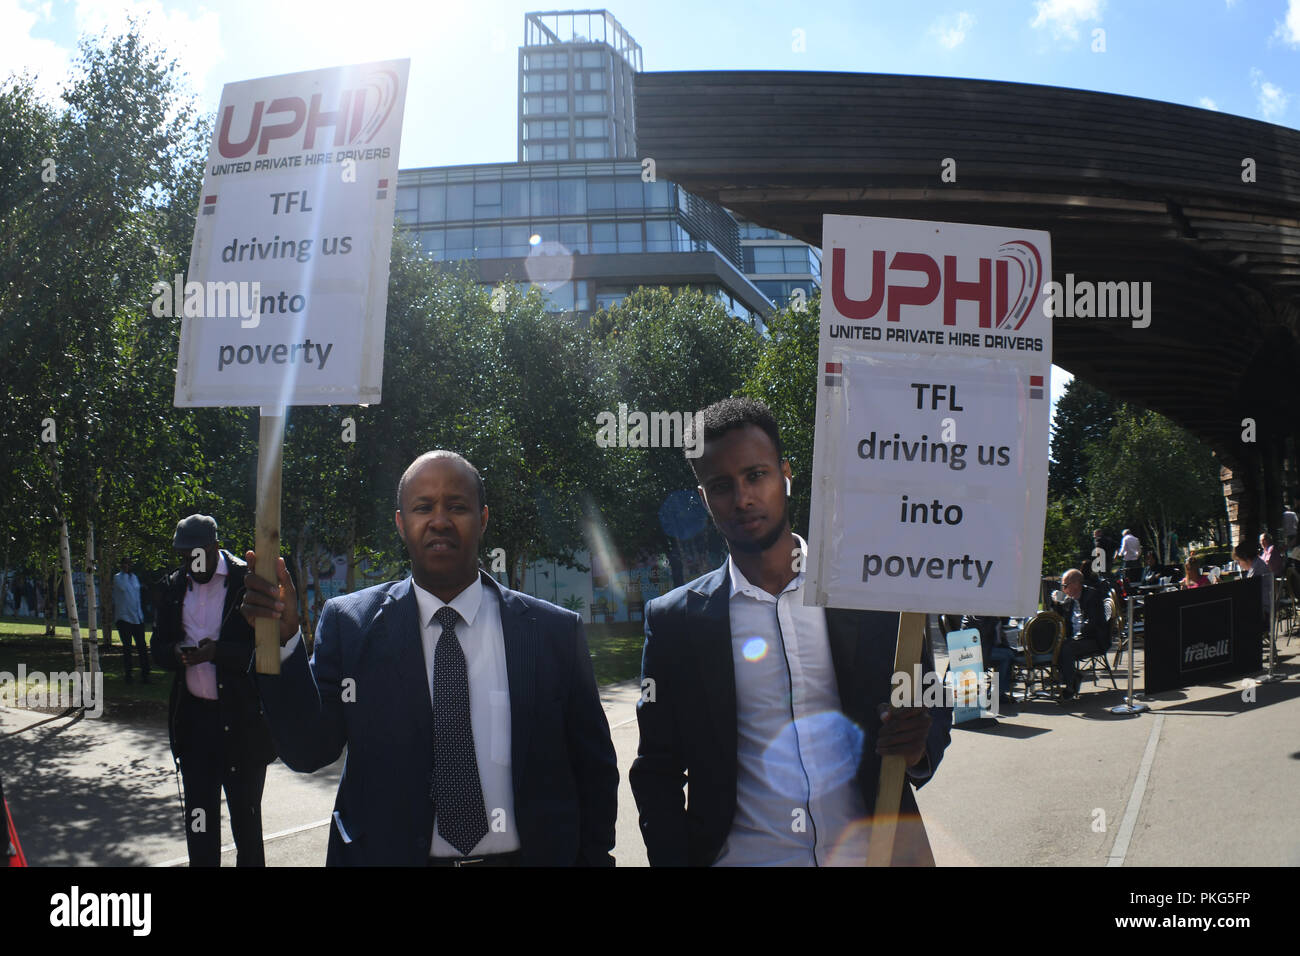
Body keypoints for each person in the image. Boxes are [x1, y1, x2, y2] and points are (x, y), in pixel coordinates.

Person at [244, 450, 618, 866]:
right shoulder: (351, 626)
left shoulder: (554, 633)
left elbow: (595, 769)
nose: (440, 520)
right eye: (423, 508)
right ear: (402, 524)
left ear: (484, 519)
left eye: (457, 506)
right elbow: (307, 750)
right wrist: (280, 644)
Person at [630, 397, 952, 867]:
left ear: (785, 474)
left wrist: (919, 745)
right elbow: (657, 770)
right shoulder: (676, 622)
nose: (742, 498)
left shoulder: (871, 593)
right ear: (703, 498)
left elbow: (928, 703)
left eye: (756, 475)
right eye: (721, 485)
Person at [151, 514, 275, 867]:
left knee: (246, 824)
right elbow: (158, 646)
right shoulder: (175, 587)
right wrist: (175, 654)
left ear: (214, 546)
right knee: (200, 822)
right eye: (184, 555)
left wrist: (217, 653)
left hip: (241, 723)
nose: (191, 561)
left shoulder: (246, 582)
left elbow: (266, 653)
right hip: (195, 726)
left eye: (197, 553)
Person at [1054, 568, 1111, 700]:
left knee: (1066, 648)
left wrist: (1076, 637)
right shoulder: (1070, 599)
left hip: (1094, 639)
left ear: (1075, 584)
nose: (1063, 589)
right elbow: (1060, 618)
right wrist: (1056, 602)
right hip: (1076, 638)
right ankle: (1070, 677)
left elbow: (1093, 623)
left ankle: (1069, 685)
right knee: (1056, 646)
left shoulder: (1092, 596)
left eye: (1065, 585)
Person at [112, 557, 150, 684]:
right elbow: (123, 588)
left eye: (128, 564)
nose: (126, 566)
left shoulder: (134, 578)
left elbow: (137, 594)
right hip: (124, 617)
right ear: (121, 565)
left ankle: (145, 675)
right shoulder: (118, 578)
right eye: (124, 564)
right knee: (127, 648)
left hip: (137, 617)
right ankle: (128, 675)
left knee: (142, 647)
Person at [1233, 541, 1273, 631]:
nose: (1239, 564)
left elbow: (1248, 595)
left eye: (1239, 561)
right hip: (1264, 612)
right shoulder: (1258, 565)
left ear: (1245, 558)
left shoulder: (1256, 571)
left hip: (1262, 615)